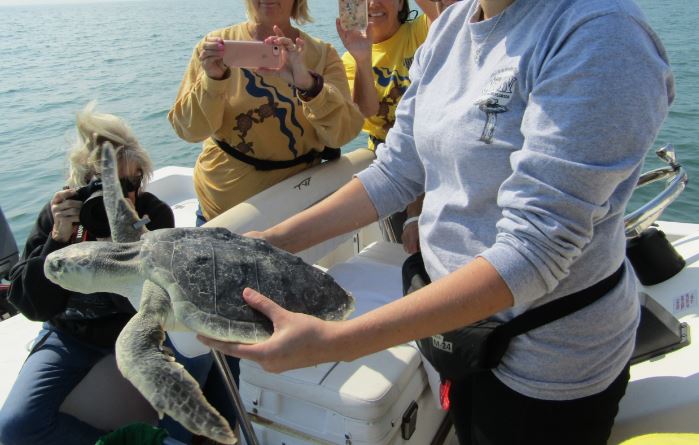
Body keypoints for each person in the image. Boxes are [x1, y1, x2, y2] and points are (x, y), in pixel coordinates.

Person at [199, 0, 674, 444]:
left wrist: (336, 342)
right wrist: (272, 240)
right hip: (456, 336)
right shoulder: (451, 27)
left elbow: (535, 250)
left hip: (544, 369)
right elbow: (395, 172)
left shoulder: (600, 35)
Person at [0, 104, 210, 445]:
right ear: (80, 185)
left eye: (131, 182)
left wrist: (131, 245)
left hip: (140, 327)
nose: (121, 195)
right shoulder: (62, 221)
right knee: (15, 427)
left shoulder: (152, 213)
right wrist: (57, 241)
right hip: (72, 334)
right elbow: (33, 306)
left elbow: (158, 299)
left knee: (201, 354)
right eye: (105, 186)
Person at [168, 0, 364, 226]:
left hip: (295, 208)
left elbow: (343, 134)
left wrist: (310, 86)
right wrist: (212, 80)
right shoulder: (215, 48)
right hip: (221, 207)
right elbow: (190, 131)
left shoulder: (322, 55)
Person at [337, 0, 440, 253]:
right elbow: (367, 110)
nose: (373, 3)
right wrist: (362, 59)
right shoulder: (349, 60)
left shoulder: (420, 30)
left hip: (436, 155)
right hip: (393, 164)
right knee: (405, 253)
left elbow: (448, 13)